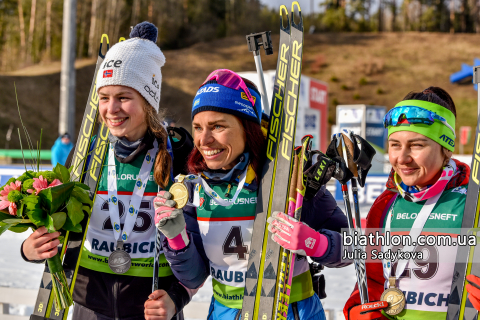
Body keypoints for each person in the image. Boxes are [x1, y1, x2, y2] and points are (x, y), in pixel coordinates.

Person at [21, 22, 197, 320]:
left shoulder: (176, 152)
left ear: (148, 101)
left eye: (124, 97)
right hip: (89, 305)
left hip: (153, 308)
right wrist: (31, 248)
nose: (111, 108)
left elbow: (196, 250)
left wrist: (176, 299)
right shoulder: (88, 153)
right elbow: (58, 224)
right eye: (104, 98)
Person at [153, 69, 350, 320]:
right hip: (224, 313)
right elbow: (193, 276)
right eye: (198, 127)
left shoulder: (291, 182)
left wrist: (312, 242)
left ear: (248, 129)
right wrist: (176, 238)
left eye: (217, 126)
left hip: (293, 312)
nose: (204, 139)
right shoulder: (194, 189)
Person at [343, 87, 469, 319]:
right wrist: (358, 309)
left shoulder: (472, 203)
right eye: (395, 145)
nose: (402, 158)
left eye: (417, 145)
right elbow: (373, 279)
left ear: (446, 148)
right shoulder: (385, 205)